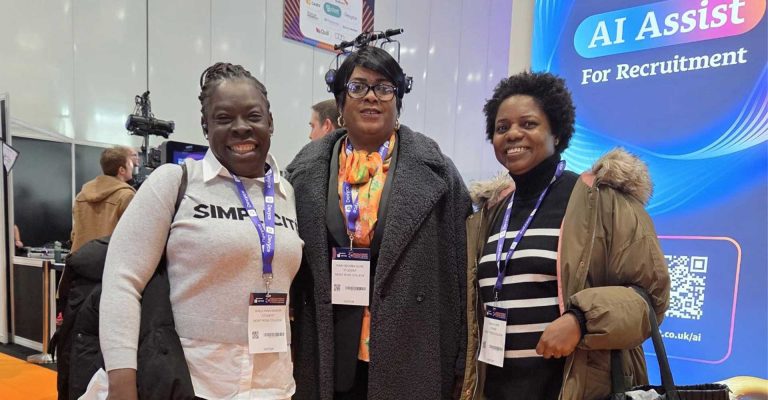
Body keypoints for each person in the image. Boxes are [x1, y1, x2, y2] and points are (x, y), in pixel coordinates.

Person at [459, 71, 671, 400]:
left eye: (528, 124)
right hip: (498, 389)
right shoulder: (491, 213)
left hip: (576, 387)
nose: (513, 134)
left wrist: (581, 320)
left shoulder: (602, 201)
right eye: (502, 128)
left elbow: (650, 298)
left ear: (556, 132)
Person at [100, 62, 303, 399]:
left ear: (270, 121)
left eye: (253, 116)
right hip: (189, 380)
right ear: (205, 126)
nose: (241, 128)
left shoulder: (287, 193)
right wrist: (121, 381)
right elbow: (122, 280)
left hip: (271, 383)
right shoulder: (175, 182)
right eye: (224, 118)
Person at [286, 45, 472, 399]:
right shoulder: (302, 173)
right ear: (341, 104)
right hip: (329, 348)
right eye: (358, 87)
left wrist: (457, 359)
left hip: (410, 348)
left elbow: (458, 272)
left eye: (384, 87)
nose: (371, 97)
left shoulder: (439, 173)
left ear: (398, 102)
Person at [70, 146, 135, 253]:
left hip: (80, 262)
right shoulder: (126, 196)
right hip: (108, 262)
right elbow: (131, 235)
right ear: (122, 170)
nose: (132, 166)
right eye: (130, 163)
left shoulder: (81, 196)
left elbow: (74, 235)